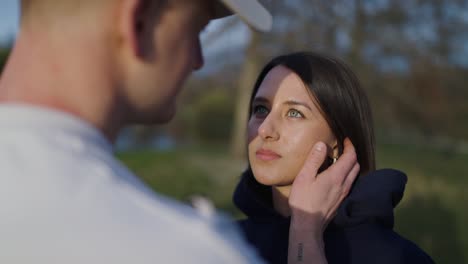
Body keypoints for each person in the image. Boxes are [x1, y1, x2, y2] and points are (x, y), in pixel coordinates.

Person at [0, 1, 360, 263]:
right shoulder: (186, 250)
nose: (199, 59)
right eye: (197, 30)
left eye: (294, 112)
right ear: (138, 21)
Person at [234, 51, 435, 264]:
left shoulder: (393, 257)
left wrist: (305, 232)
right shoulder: (224, 241)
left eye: (294, 113)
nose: (264, 129)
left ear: (338, 144)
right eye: (261, 109)